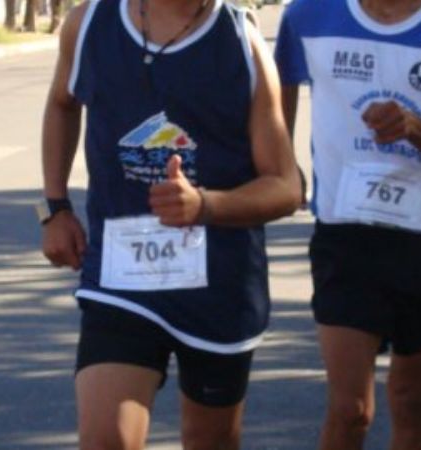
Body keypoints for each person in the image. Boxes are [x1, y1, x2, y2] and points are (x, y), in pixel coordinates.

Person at [40, 0, 303, 447]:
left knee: (211, 441)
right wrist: (56, 206)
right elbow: (63, 103)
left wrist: (206, 206)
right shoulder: (89, 24)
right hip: (122, 281)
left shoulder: (243, 43)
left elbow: (286, 185)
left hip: (219, 286)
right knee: (107, 440)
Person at [275, 0, 421, 448]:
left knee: (411, 398)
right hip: (346, 237)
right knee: (350, 410)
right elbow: (278, 83)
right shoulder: (309, 16)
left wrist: (415, 129)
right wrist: (284, 160)